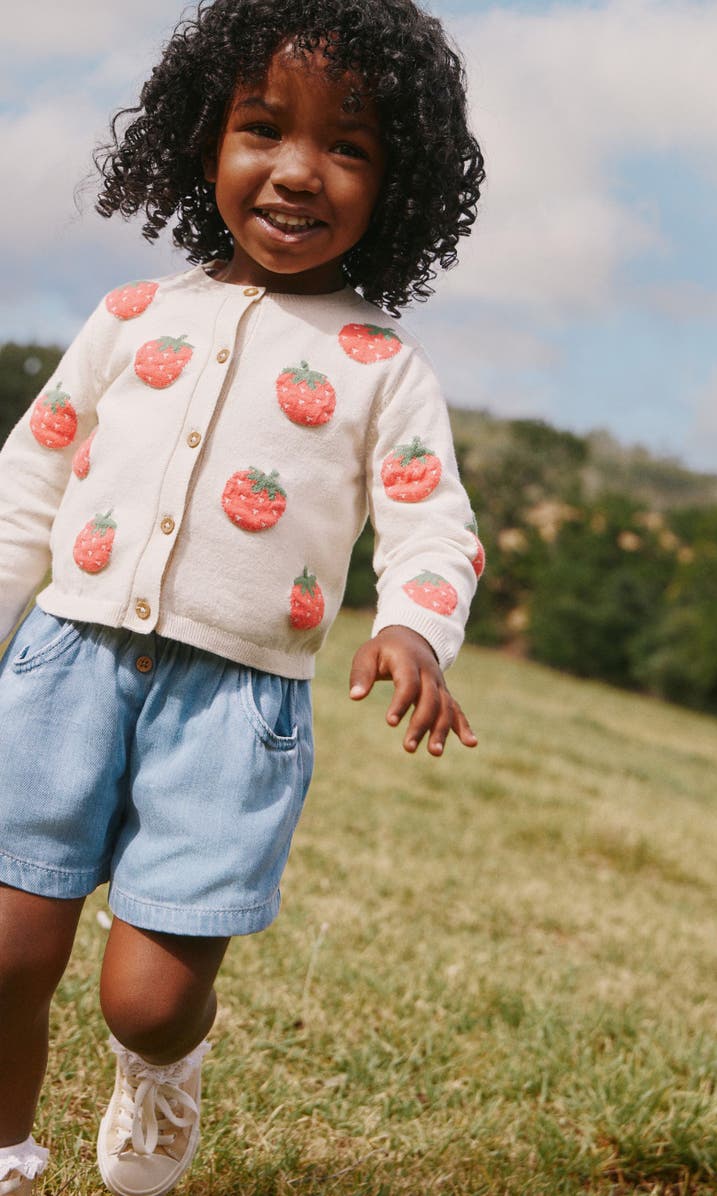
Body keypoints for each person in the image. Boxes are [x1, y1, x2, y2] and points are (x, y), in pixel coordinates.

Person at [0, 0, 485, 1191]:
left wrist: (416, 623)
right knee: (5, 953)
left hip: (235, 710)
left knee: (148, 996)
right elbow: (32, 476)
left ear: (401, 182)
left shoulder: (385, 368)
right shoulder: (130, 318)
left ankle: (168, 1061)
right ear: (202, 136)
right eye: (264, 127)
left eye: (351, 147)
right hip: (65, 663)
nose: (299, 172)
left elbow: (435, 523)